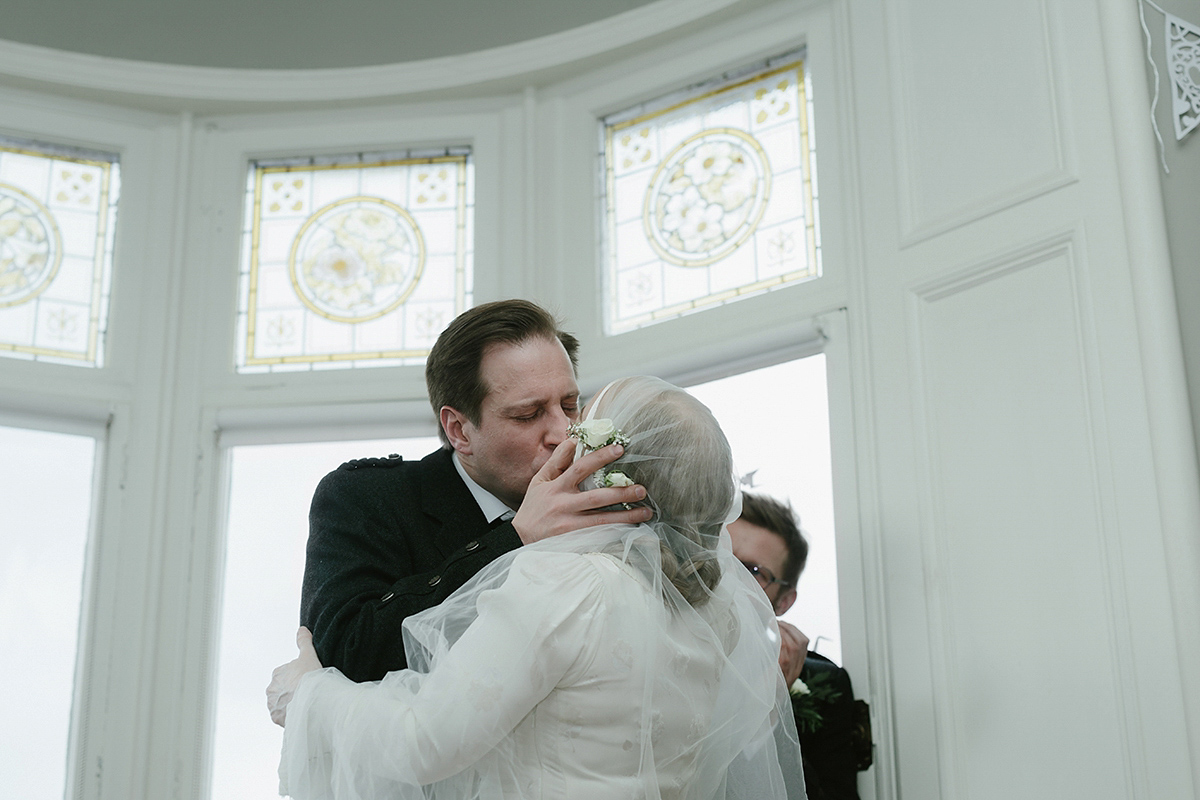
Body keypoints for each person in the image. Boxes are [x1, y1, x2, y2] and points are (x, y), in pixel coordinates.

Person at [268, 377, 804, 799]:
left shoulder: (568, 584)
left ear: (610, 467)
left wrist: (310, 694)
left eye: (579, 421)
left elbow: (423, 741)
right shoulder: (719, 614)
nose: (562, 437)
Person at [277, 299, 650, 697]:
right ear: (459, 430)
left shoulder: (607, 499)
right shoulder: (367, 497)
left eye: (570, 405)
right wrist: (515, 540)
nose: (564, 432)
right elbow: (344, 655)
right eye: (528, 414)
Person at [729, 493, 867, 800]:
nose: (728, 576)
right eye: (721, 557)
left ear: (784, 601)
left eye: (752, 571)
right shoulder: (655, 655)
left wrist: (770, 707)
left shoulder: (824, 685)